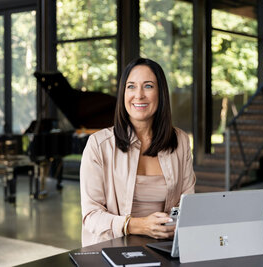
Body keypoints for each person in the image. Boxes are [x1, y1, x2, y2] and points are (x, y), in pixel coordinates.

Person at [80, 58, 196, 246]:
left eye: (148, 86)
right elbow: (91, 216)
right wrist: (137, 225)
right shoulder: (98, 145)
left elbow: (188, 204)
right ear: (123, 93)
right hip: (112, 248)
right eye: (131, 86)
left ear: (161, 93)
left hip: (165, 247)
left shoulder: (180, 141)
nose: (139, 95)